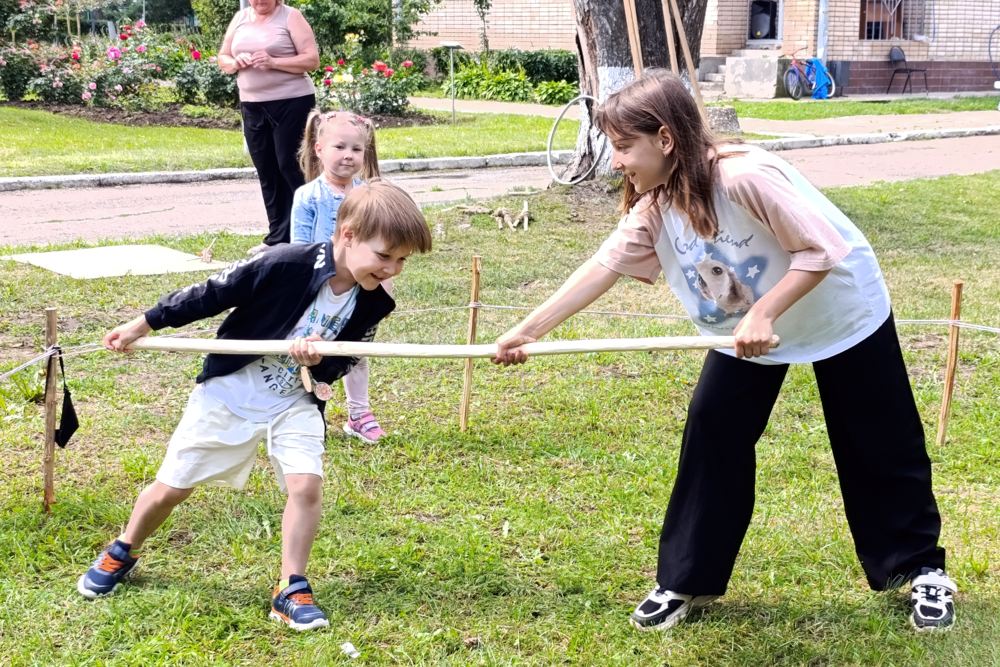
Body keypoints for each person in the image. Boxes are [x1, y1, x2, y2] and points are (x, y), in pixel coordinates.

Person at [492, 69, 956, 633]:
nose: (615, 161)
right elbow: (602, 268)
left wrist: (764, 311)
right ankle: (686, 579)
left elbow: (819, 251)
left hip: (840, 310)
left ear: (664, 139)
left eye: (622, 146)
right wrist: (529, 331)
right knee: (714, 428)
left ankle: (921, 570)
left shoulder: (744, 178)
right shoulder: (657, 205)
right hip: (747, 328)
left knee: (877, 438)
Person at [77, 181, 432, 632]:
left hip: (293, 402)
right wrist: (144, 322)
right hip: (231, 393)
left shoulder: (375, 303)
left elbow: (347, 358)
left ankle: (291, 587)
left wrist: (321, 363)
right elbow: (212, 292)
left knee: (305, 487)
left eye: (402, 260)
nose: (393, 269)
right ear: (347, 235)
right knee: (174, 486)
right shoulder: (285, 262)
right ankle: (123, 549)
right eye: (385, 256)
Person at [290, 110, 388, 443]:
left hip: (359, 290)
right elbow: (299, 248)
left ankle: (359, 413)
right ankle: (304, 413)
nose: (348, 155)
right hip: (320, 290)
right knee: (309, 350)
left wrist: (380, 281)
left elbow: (382, 244)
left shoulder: (370, 196)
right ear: (318, 149)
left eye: (356, 150)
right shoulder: (307, 197)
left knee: (353, 351)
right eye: (339, 147)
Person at [218, 0, 320, 253]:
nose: (259, 1)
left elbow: (312, 60)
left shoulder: (290, 16)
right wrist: (234, 63)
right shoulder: (240, 18)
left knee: (290, 165)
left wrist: (274, 62)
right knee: (266, 168)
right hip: (252, 105)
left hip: (292, 102)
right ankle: (278, 237)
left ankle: (311, 232)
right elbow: (223, 56)